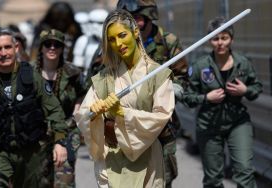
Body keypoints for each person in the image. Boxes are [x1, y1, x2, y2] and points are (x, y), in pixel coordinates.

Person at [75, 9, 175, 188]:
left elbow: (162, 115)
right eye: (112, 40)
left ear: (135, 32)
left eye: (122, 35)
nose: (118, 43)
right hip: (113, 160)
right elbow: (83, 116)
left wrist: (123, 113)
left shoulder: (157, 74)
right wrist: (94, 113)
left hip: (147, 158)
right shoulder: (104, 77)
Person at [0, 28, 68, 187]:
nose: (3, 53)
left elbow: (54, 109)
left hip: (31, 152)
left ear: (16, 48)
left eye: (7, 47)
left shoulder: (32, 76)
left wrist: (60, 141)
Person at [183, 17, 262, 188]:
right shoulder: (200, 66)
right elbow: (186, 97)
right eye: (215, 38)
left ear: (231, 39)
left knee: (244, 171)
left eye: (224, 38)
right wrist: (205, 98)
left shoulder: (243, 63)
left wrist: (245, 91)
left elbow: (257, 88)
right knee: (213, 179)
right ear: (209, 40)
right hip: (209, 125)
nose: (220, 43)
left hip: (238, 123)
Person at [117, 0, 188, 187]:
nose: (133, 23)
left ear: (149, 18)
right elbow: (97, 74)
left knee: (162, 178)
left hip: (161, 125)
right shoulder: (116, 42)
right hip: (127, 124)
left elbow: (182, 76)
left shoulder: (167, 41)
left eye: (138, 18)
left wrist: (173, 90)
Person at [36, 28, 86, 188]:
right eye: (48, 44)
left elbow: (85, 92)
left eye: (56, 45)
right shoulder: (29, 73)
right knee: (40, 180)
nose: (52, 48)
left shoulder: (73, 73)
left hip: (67, 130)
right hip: (38, 133)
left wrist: (78, 108)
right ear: (41, 48)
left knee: (64, 179)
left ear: (62, 48)